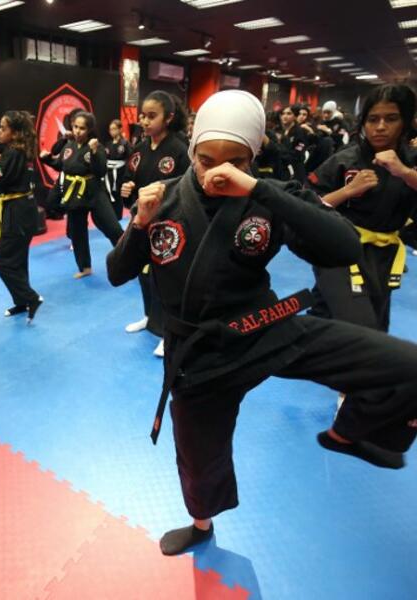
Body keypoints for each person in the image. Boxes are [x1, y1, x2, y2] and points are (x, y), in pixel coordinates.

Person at [106, 89, 417, 557]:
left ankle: (352, 432)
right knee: (197, 457)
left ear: (254, 156)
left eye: (235, 160)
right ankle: (202, 524)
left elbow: (343, 248)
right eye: (207, 158)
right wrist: (138, 226)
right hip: (199, 353)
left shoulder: (269, 196)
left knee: (407, 364)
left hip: (266, 328)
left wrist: (256, 188)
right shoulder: (164, 199)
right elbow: (116, 273)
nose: (218, 171)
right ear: (192, 150)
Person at [307, 84, 417, 335]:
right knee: (362, 327)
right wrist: (347, 191)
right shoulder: (346, 160)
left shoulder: (411, 162)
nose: (380, 127)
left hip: (384, 255)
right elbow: (305, 203)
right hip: (339, 246)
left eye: (391, 119)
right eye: (373, 119)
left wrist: (403, 172)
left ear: (406, 122)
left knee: (376, 326)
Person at [120, 91, 190, 359]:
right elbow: (129, 179)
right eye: (143, 116)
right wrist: (125, 187)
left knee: (165, 278)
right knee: (143, 273)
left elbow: (186, 188)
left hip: (169, 224)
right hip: (141, 221)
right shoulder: (139, 147)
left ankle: (167, 333)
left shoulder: (179, 148)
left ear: (169, 118)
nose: (145, 121)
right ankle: (149, 318)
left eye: (152, 116)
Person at [40, 111, 123, 278]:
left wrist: (93, 152)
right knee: (77, 232)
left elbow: (100, 171)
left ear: (89, 130)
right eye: (75, 127)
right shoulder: (69, 145)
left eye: (82, 128)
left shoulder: (96, 147)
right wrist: (47, 159)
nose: (77, 131)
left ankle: (129, 259)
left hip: (94, 192)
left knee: (112, 228)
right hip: (75, 193)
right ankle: (85, 267)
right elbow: (61, 164)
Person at [0, 111, 43, 321]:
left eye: (3, 128)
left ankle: (30, 297)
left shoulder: (13, 154)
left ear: (15, 133)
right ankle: (21, 301)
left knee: (1, 261)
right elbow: (6, 177)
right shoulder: (19, 152)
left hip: (17, 212)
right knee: (18, 259)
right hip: (23, 208)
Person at [104, 119, 131, 220]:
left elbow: (130, 158)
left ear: (120, 129)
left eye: (114, 129)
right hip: (109, 172)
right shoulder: (108, 144)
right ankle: (110, 216)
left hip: (120, 173)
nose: (112, 132)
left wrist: (127, 174)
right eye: (111, 129)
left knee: (117, 194)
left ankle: (117, 216)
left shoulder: (125, 144)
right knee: (108, 192)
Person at [275, 105, 309, 183]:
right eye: (283, 114)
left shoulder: (300, 132)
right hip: (281, 169)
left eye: (289, 113)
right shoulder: (279, 130)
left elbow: (297, 154)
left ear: (295, 116)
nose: (285, 116)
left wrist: (280, 153)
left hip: (295, 171)